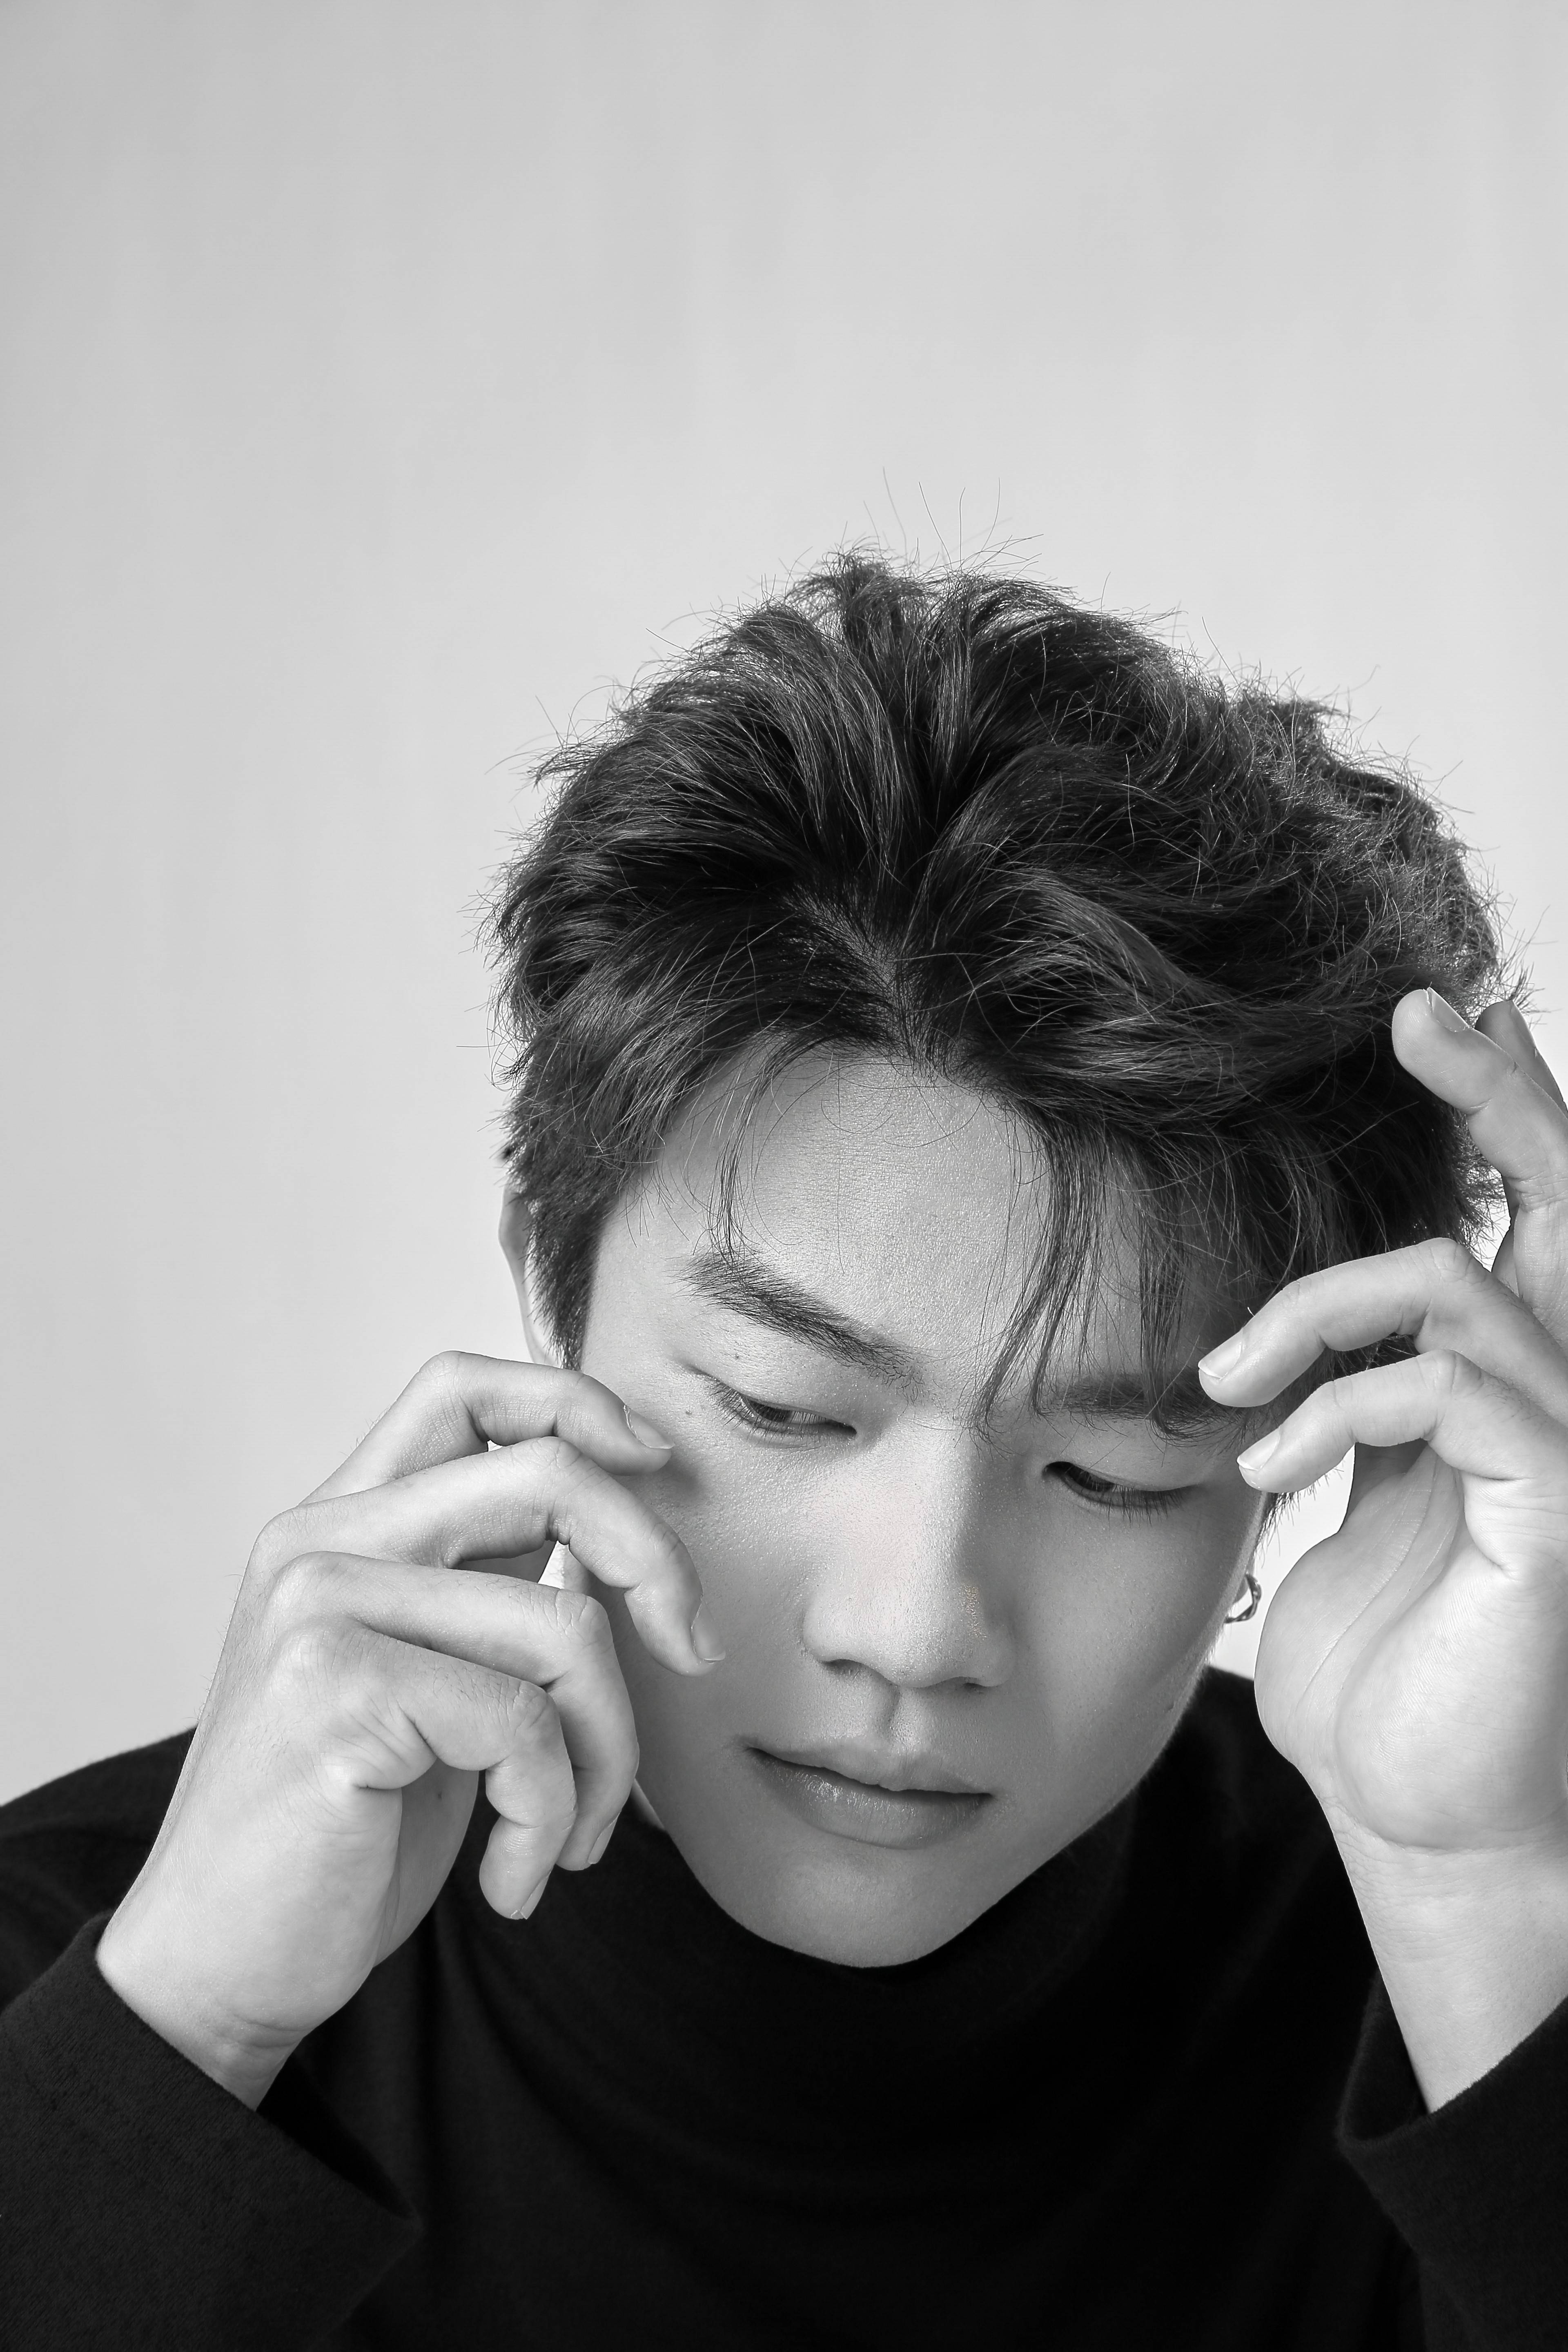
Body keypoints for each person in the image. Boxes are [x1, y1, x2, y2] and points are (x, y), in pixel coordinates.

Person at [2, 557, 1566, 2351]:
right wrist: (182, 2046)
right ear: (551, 1298)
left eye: (1114, 1474)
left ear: (1309, 1444)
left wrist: (1479, 1896)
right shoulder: (88, 1970)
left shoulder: (1465, 1981)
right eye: (784, 1409)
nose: (915, 1632)